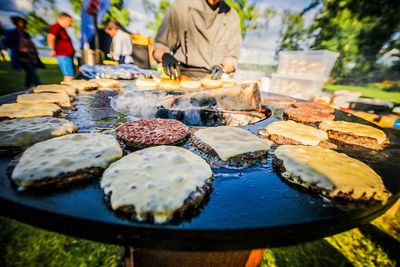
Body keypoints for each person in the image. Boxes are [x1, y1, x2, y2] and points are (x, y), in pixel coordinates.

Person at [153, 0, 242, 80]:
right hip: (181, 75)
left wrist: (222, 68)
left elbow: (232, 59)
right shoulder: (180, 7)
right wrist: (165, 56)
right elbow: (160, 46)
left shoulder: (232, 16)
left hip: (213, 80)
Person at [3, 16, 45, 89]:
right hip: (20, 56)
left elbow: (30, 45)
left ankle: (28, 88)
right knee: (32, 72)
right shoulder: (12, 33)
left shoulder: (26, 34)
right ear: (16, 23)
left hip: (30, 56)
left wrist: (35, 55)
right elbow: (6, 42)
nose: (22, 24)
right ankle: (40, 86)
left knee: (30, 73)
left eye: (23, 23)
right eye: (20, 22)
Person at [47, 13, 75, 81]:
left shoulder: (62, 29)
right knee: (69, 76)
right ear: (63, 19)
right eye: (70, 21)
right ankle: (68, 91)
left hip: (68, 55)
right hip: (63, 55)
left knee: (71, 75)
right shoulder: (56, 27)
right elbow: (50, 37)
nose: (71, 23)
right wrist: (53, 50)